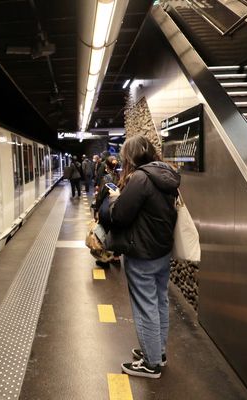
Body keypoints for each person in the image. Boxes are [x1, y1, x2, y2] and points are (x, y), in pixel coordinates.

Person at [100, 135, 180, 379]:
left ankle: (151, 363)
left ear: (132, 155)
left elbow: (121, 216)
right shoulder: (167, 174)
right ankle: (159, 352)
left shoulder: (140, 178)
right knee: (159, 301)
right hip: (161, 249)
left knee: (145, 306)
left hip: (142, 252)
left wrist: (112, 202)